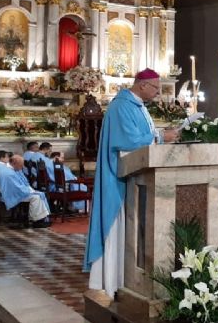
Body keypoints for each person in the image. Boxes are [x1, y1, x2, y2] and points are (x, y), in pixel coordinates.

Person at [84, 68, 179, 299]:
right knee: (117, 230)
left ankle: (129, 280)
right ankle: (113, 281)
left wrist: (160, 136)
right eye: (155, 88)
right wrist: (160, 137)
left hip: (137, 178)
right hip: (120, 178)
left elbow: (142, 137)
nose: (158, 92)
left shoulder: (138, 106)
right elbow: (127, 141)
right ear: (142, 85)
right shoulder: (121, 106)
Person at [0, 155, 51, 228]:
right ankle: (36, 221)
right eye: (21, 165)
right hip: (11, 194)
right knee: (36, 197)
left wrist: (30, 190)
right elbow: (15, 187)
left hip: (17, 192)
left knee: (39, 194)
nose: (22, 167)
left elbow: (21, 183)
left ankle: (41, 219)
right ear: (14, 163)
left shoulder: (12, 169)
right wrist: (30, 191)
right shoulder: (7, 173)